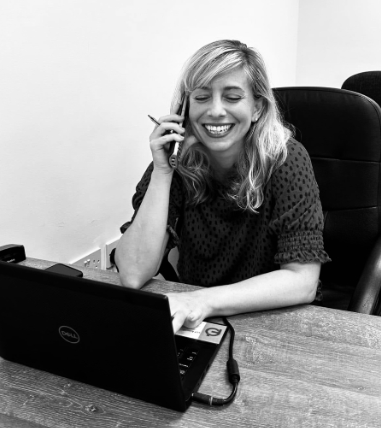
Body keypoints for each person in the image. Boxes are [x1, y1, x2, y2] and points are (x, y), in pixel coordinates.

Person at [114, 40, 330, 333]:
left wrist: (201, 301)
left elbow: (302, 281)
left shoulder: (286, 159)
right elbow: (132, 273)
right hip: (197, 321)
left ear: (257, 108)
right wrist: (163, 171)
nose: (215, 111)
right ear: (185, 108)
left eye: (232, 97)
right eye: (202, 97)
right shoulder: (177, 159)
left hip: (270, 319)